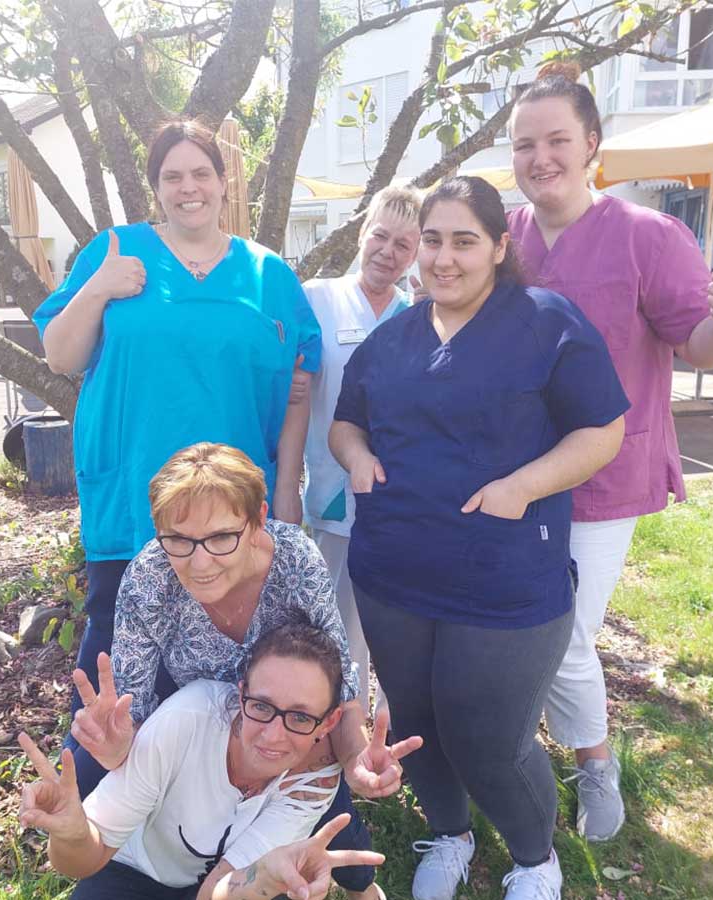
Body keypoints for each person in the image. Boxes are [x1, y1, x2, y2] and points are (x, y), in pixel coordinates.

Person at [329, 176, 629, 900]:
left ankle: (534, 860)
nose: (443, 258)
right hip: (394, 571)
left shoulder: (546, 323)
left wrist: (522, 487)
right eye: (432, 240)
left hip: (505, 575)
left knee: (488, 738)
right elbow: (347, 421)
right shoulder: (392, 338)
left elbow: (604, 430)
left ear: (500, 246)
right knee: (420, 722)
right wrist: (356, 457)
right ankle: (450, 832)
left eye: (464, 241)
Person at [505, 62, 713, 842]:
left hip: (606, 478)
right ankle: (514, 750)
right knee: (513, 624)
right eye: (524, 144)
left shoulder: (650, 236)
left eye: (556, 140)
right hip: (508, 474)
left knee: (562, 633)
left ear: (592, 145)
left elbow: (701, 344)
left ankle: (594, 760)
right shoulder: (503, 234)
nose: (540, 157)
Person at [31, 119, 321, 755]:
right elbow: (59, 354)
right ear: (156, 186)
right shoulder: (115, 251)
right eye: (172, 176)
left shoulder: (268, 274)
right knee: (115, 656)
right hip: (135, 496)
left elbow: (302, 378)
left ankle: (218, 804)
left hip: (234, 512)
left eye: (201, 174)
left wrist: (290, 485)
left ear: (223, 183)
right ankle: (97, 797)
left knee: (232, 660)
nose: (188, 188)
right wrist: (100, 289)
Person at [70, 442, 421, 900]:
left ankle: (361, 885)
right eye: (178, 539)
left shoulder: (296, 561)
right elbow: (134, 705)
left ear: (257, 519)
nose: (199, 563)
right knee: (89, 800)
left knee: (323, 791)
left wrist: (355, 757)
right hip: (201, 724)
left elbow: (338, 685)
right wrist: (119, 747)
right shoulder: (148, 580)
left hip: (293, 723)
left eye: (221, 538)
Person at [18, 620, 386, 900]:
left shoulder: (314, 779)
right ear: (241, 694)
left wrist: (263, 878)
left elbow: (216, 891)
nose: (273, 735)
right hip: (132, 872)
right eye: (261, 706)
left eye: (301, 717)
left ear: (331, 721)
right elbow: (83, 861)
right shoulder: (187, 720)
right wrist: (72, 835)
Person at [301, 185, 423, 717]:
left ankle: (393, 735)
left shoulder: (421, 314)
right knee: (336, 625)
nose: (387, 252)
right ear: (362, 232)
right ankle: (340, 737)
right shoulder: (317, 297)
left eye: (403, 244)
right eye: (379, 235)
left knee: (399, 625)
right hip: (332, 493)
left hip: (404, 503)